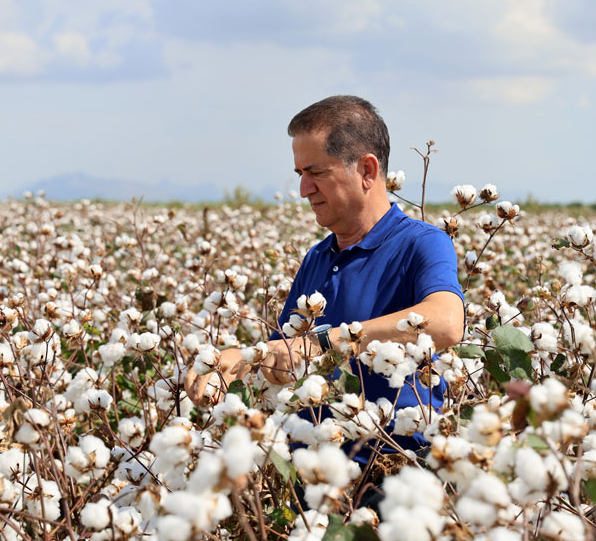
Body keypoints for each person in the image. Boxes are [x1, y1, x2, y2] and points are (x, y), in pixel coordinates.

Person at [184, 95, 464, 461]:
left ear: (367, 170)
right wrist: (236, 365)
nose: (304, 190)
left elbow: (445, 323)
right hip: (312, 485)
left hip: (393, 480)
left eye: (317, 173)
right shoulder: (318, 258)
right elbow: (284, 359)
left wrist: (321, 343)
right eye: (300, 174)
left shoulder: (422, 244)